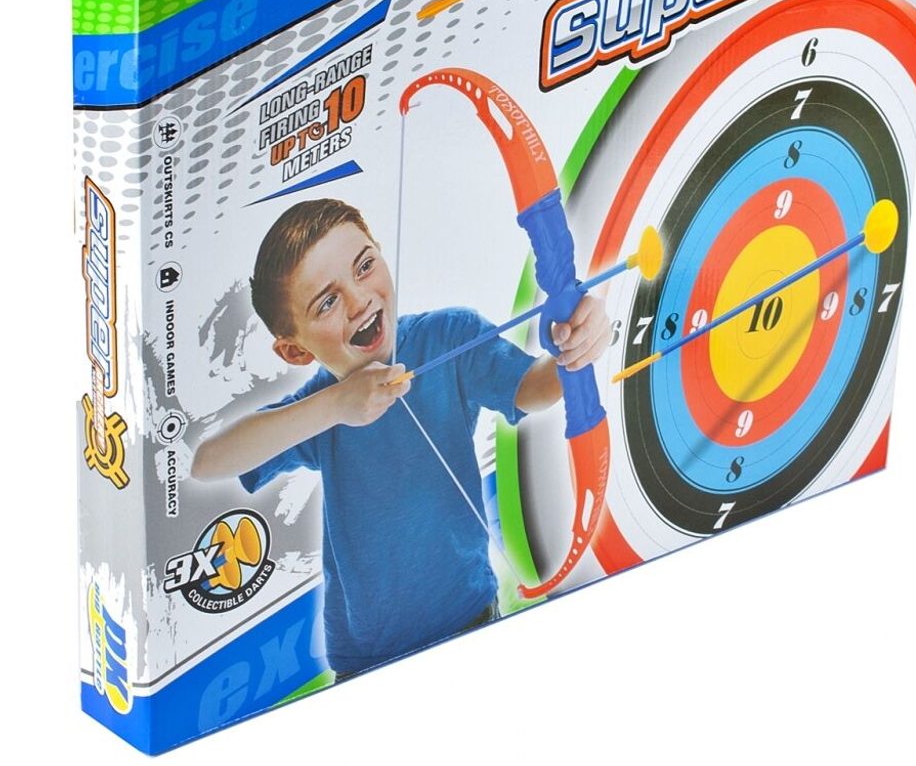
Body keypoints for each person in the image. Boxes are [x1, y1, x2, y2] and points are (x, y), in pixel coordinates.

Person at [192, 197, 610, 678]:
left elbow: (532, 387)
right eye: (326, 302)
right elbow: (208, 462)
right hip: (366, 659)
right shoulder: (320, 407)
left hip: (470, 618)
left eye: (364, 266)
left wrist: (578, 343)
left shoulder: (448, 336)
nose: (359, 301)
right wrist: (335, 406)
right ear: (294, 351)